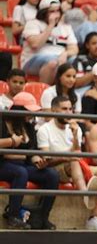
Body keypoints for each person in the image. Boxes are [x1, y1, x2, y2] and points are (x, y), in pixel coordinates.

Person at [36, 96, 97, 224]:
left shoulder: (75, 128)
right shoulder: (44, 130)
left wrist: (75, 136)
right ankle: (84, 193)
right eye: (64, 109)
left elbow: (77, 152)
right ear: (54, 111)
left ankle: (94, 217)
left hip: (74, 165)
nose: (68, 112)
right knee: (73, 159)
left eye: (70, 109)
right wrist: (67, 157)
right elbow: (46, 158)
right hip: (54, 168)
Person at [0, 92, 59, 229]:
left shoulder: (29, 126)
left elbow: (31, 151)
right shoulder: (2, 122)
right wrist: (10, 141)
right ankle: (13, 215)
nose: (30, 115)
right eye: (28, 111)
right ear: (18, 110)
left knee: (51, 174)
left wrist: (37, 160)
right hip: (3, 165)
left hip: (23, 165)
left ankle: (42, 217)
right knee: (20, 173)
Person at [21, 0, 79, 84]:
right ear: (43, 13)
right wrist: (51, 25)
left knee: (76, 61)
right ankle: (44, 92)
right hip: (32, 60)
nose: (56, 14)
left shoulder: (66, 27)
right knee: (52, 61)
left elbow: (74, 49)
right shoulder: (33, 24)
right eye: (52, 11)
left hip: (60, 59)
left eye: (58, 11)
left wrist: (66, 53)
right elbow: (35, 45)